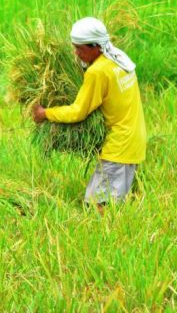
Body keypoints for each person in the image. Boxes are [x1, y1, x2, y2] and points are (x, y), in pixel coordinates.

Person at [31, 17, 146, 210]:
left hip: (118, 147)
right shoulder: (118, 57)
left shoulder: (97, 72)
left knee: (97, 205)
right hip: (135, 140)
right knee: (114, 204)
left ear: (96, 46)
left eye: (80, 49)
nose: (76, 53)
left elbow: (77, 112)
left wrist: (45, 113)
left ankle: (106, 239)